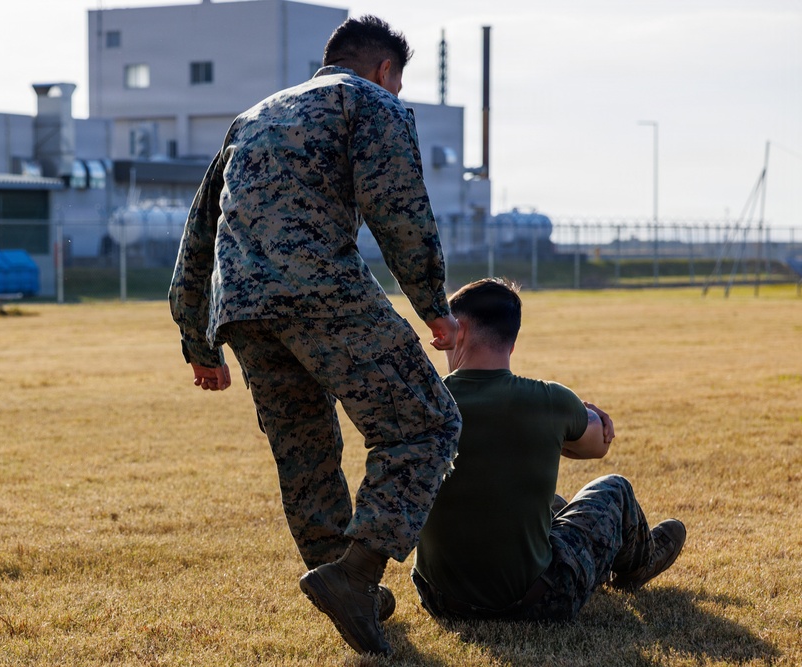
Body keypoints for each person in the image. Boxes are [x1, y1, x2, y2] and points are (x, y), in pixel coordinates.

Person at [169, 15, 462, 656]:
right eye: (397, 81)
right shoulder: (370, 102)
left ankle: (349, 589)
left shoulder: (251, 118)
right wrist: (433, 305)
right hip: (322, 291)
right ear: (385, 69)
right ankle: (355, 576)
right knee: (425, 424)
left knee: (306, 456)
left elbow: (199, 235)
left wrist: (199, 341)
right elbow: (398, 207)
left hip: (243, 309)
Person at [412, 278, 687, 623]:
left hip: (440, 601)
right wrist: (573, 421)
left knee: (551, 504)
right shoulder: (549, 400)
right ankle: (639, 564)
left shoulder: (423, 404)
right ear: (511, 342)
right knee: (614, 489)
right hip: (537, 601)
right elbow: (599, 444)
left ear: (461, 330)